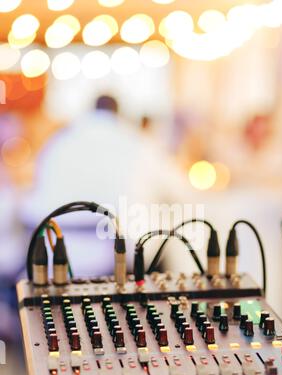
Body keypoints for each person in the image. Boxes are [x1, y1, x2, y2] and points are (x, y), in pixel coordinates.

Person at [21, 95, 185, 276]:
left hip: (51, 258)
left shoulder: (58, 141)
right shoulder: (137, 143)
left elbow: (33, 193)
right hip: (112, 261)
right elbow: (178, 189)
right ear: (118, 113)